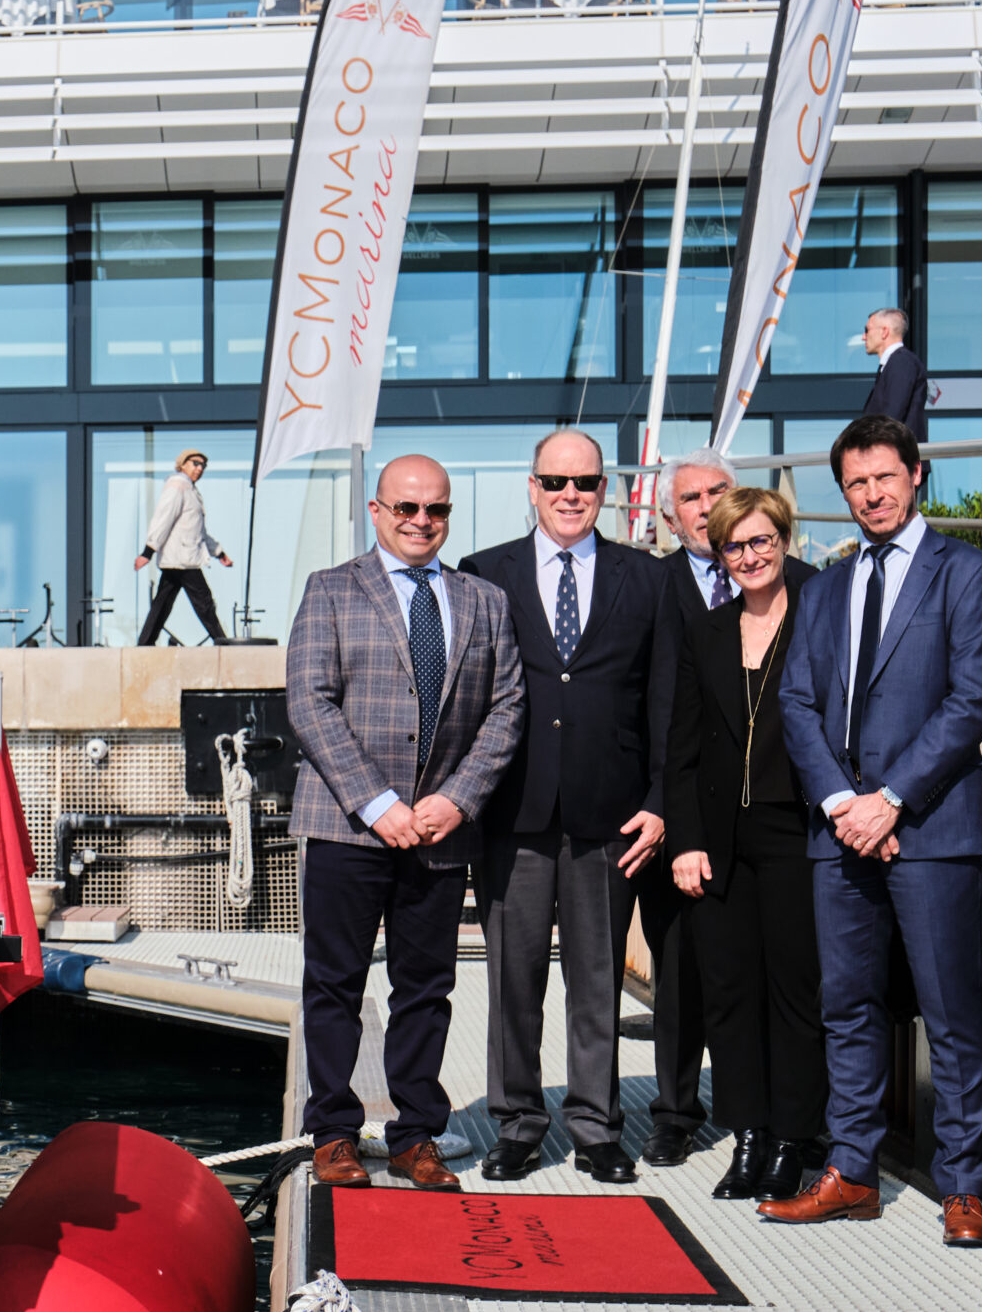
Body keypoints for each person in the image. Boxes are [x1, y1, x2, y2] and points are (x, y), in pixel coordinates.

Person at [765, 415, 982, 1247]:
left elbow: (970, 702)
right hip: (840, 831)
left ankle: (967, 1188)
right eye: (856, 483)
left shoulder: (969, 574)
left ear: (916, 476)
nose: (871, 494)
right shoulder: (825, 588)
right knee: (848, 1006)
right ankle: (854, 1173)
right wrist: (843, 804)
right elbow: (796, 702)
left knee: (951, 1012)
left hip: (933, 828)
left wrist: (891, 800)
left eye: (884, 478)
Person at [287, 455, 525, 1192]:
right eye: (407, 508)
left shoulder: (483, 601)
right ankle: (333, 1132)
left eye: (437, 510)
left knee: (426, 986)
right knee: (335, 985)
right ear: (376, 509)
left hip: (440, 829)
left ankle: (415, 1134)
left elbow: (507, 706)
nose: (423, 521)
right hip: (346, 826)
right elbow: (309, 703)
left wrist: (458, 798)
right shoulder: (330, 590)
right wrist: (376, 802)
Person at [462, 429, 675, 1187]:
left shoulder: (646, 579)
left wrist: (658, 802)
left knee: (596, 984)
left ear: (605, 490)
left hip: (608, 817)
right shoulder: (484, 574)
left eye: (584, 482)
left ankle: (596, 1127)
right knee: (513, 985)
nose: (570, 495)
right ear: (532, 487)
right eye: (555, 482)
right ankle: (517, 1125)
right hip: (511, 813)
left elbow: (664, 702)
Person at [665, 487, 823, 1202]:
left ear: (785, 541)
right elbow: (684, 746)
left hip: (796, 831)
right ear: (720, 555)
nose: (751, 556)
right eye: (736, 546)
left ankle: (792, 1138)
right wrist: (686, 842)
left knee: (794, 991)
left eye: (762, 541)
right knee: (729, 991)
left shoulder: (819, 616)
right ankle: (748, 1133)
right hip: (719, 839)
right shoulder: (709, 629)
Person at [637, 446, 741, 1167]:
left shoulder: (782, 580)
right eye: (692, 499)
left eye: (718, 492)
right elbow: (637, 708)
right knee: (677, 970)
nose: (706, 508)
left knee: (753, 970)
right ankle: (675, 1111)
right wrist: (660, 806)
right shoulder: (649, 587)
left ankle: (751, 1109)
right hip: (670, 806)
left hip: (756, 811)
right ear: (672, 519)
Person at [134, 449, 234, 646]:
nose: (199, 468)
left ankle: (145, 643)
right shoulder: (178, 485)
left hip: (181, 557)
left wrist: (218, 552)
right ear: (182, 464)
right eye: (195, 463)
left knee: (162, 604)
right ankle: (221, 641)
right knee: (204, 601)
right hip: (182, 558)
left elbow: (199, 532)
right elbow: (163, 518)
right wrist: (148, 551)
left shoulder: (190, 490)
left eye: (203, 465)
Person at [860, 308, 930, 446]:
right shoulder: (895, 363)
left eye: (867, 330)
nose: (863, 336)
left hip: (897, 459)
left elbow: (892, 416)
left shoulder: (901, 362)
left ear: (884, 332)